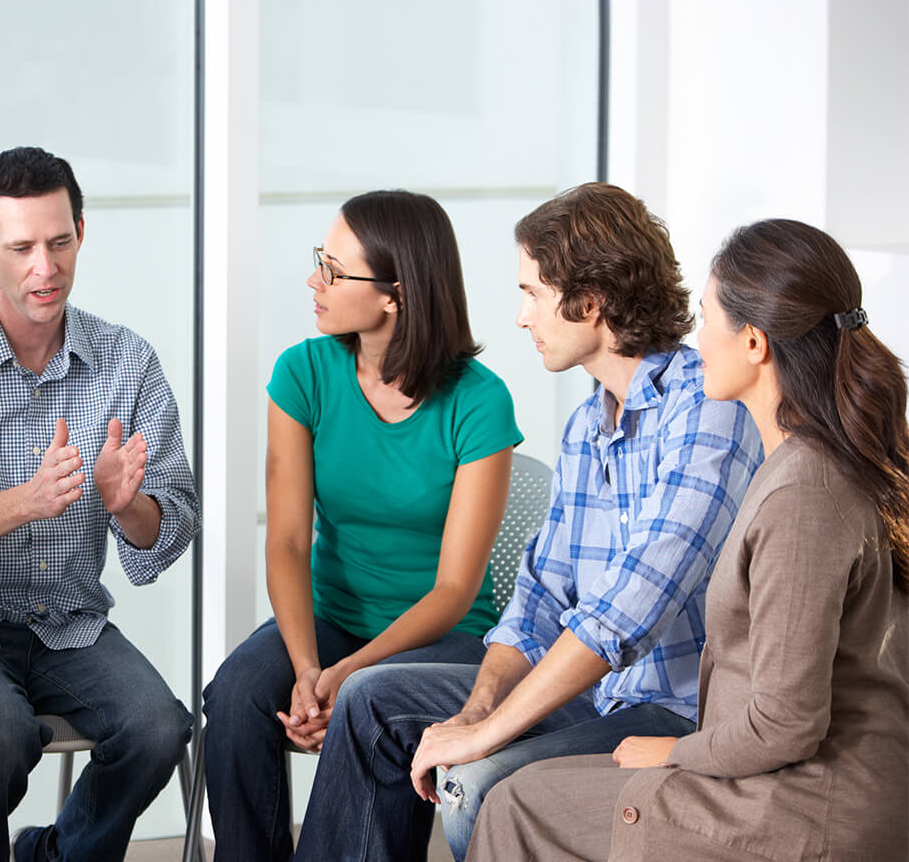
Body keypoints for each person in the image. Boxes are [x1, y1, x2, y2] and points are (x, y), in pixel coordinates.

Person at [292, 182, 764, 862]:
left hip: (675, 710)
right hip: (597, 694)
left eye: (532, 294)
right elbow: (539, 597)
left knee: (479, 777)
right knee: (371, 699)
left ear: (590, 303)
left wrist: (484, 736)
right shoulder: (585, 429)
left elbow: (627, 611)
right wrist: (480, 705)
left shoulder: (706, 412)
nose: (521, 318)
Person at [466, 219, 909, 861]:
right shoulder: (795, 467)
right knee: (524, 791)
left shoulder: (805, 495)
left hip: (803, 803)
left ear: (753, 342)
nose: (697, 343)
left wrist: (674, 752)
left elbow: (786, 724)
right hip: (766, 777)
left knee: (513, 801)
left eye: (707, 321)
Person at [0, 147, 198, 862]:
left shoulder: (127, 361)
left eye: (59, 242)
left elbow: (170, 524)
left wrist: (126, 503)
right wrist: (26, 502)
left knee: (157, 729)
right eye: (20, 248)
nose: (45, 268)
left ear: (81, 230)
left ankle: (51, 857)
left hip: (65, 619)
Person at [201, 191, 523, 861]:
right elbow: (288, 541)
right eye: (320, 261)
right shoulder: (303, 373)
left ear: (394, 295)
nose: (314, 282)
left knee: (369, 701)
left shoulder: (480, 401)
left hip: (444, 637)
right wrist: (308, 667)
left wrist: (349, 672)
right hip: (331, 618)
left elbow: (456, 589)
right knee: (234, 696)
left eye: (334, 270)